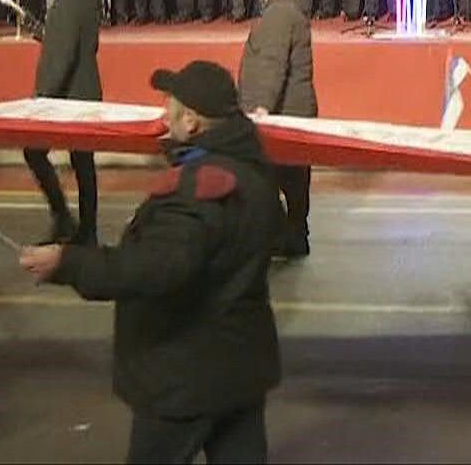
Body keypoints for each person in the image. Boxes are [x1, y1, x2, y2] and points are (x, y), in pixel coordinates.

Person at [19, 61, 281, 465]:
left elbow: (152, 268)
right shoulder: (253, 172)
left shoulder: (196, 190)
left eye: (170, 107)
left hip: (186, 375)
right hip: (241, 368)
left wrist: (68, 262)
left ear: (191, 122)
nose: (163, 116)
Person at [238, 0, 317, 260]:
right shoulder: (289, 11)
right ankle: (293, 234)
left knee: (267, 177)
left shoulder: (279, 14)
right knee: (293, 178)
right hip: (293, 111)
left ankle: (282, 234)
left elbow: (272, 62)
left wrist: (261, 105)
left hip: (283, 113)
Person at [25, 0, 103, 246]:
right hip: (86, 90)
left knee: (34, 151)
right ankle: (87, 229)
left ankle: (63, 217)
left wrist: (43, 96)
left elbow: (62, 57)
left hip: (65, 96)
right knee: (83, 162)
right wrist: (46, 34)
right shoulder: (87, 0)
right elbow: (77, 42)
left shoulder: (64, 5)